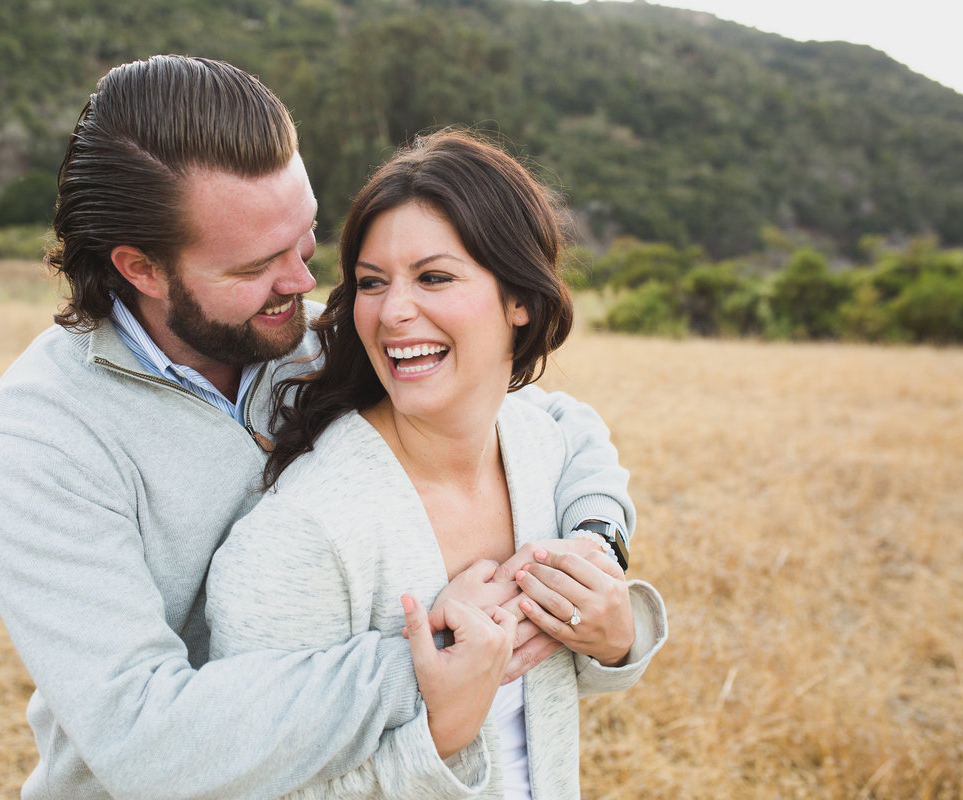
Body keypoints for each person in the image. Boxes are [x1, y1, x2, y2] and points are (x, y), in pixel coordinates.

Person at [0, 55, 643, 800]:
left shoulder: (323, 337)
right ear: (142, 269)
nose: (303, 282)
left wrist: (595, 547)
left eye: (306, 237)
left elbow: (552, 424)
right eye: (257, 263)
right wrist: (427, 661)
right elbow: (144, 739)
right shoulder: (40, 437)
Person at [206, 129, 667, 799]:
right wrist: (441, 734)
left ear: (521, 299)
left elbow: (582, 434)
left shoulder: (538, 446)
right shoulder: (304, 537)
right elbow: (245, 786)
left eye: (434, 277)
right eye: (371, 283)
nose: (394, 312)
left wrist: (618, 634)